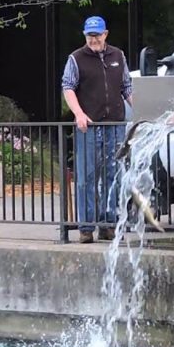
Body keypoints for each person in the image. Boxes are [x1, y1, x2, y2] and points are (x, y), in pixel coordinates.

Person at [61, 15, 133, 244]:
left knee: (113, 176)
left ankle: (108, 223)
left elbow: (127, 87)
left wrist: (143, 112)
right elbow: (68, 87)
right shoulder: (76, 58)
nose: (93, 39)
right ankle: (86, 227)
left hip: (115, 125)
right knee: (86, 177)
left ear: (105, 34)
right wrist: (79, 114)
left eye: (97, 35)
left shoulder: (118, 56)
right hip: (89, 127)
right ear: (85, 35)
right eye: (89, 35)